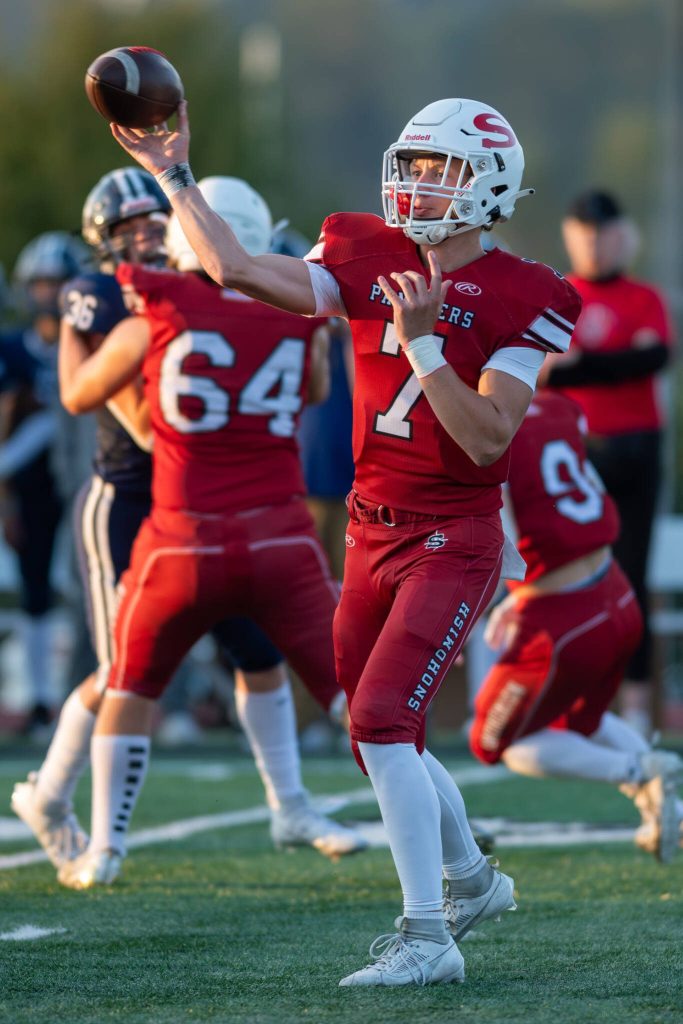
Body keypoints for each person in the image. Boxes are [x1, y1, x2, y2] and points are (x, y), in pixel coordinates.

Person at [109, 95, 581, 987]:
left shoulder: (529, 293)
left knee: (378, 719)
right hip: (368, 532)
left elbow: (486, 438)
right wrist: (173, 174)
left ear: (488, 184)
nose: (414, 183)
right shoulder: (367, 250)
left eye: (437, 169)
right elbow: (239, 270)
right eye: (410, 163)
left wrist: (423, 346)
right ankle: (473, 881)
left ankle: (426, 936)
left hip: (453, 535)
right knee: (374, 737)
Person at [11, 171, 364, 875]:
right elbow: (137, 425)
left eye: (153, 220)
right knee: (123, 670)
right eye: (128, 228)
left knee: (259, 657)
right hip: (134, 500)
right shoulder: (114, 295)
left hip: (205, 510)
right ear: (104, 243)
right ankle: (52, 797)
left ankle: (289, 802)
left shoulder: (191, 291)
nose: (145, 234)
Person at [469, 389, 683, 863]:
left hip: (563, 616)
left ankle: (639, 768)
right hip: (617, 592)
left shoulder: (483, 424)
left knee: (496, 742)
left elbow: (499, 539)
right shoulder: (559, 405)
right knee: (577, 721)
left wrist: (481, 607)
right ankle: (676, 813)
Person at [542, 190, 674, 737]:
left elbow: (655, 357)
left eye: (604, 235)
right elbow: (549, 372)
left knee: (633, 574)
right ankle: (576, 694)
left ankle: (637, 704)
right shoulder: (560, 295)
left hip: (637, 451)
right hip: (578, 454)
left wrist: (584, 365)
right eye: (585, 236)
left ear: (621, 237)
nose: (595, 246)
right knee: (573, 574)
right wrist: (613, 364)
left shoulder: (645, 296)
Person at [0, 231, 91, 733]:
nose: (51, 296)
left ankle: (78, 693)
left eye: (60, 283)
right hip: (27, 485)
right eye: (42, 284)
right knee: (35, 588)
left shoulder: (99, 340)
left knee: (86, 588)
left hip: (82, 476)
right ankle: (37, 700)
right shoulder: (14, 352)